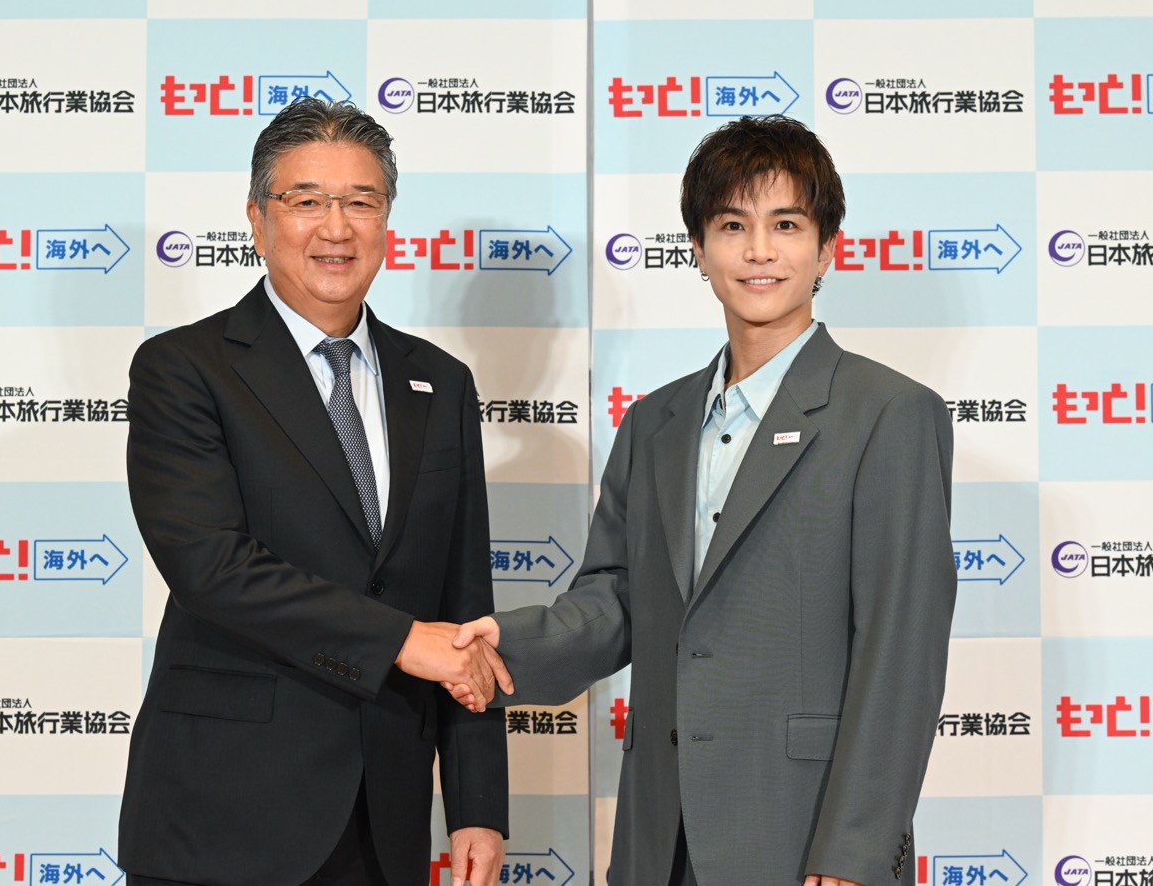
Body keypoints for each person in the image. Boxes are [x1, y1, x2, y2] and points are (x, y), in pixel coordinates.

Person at [450, 115, 957, 886]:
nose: (759, 251)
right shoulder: (655, 421)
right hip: (661, 838)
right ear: (698, 248)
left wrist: (853, 854)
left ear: (827, 248)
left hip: (803, 838)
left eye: (786, 225)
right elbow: (617, 600)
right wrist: (501, 646)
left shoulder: (888, 413)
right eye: (732, 226)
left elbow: (901, 654)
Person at [119, 98, 512, 886]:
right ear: (258, 220)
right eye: (307, 201)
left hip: (385, 818)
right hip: (223, 818)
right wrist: (399, 639)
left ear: (387, 221)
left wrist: (477, 803)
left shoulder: (440, 383)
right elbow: (211, 566)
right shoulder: (186, 369)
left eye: (361, 202)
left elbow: (466, 607)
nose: (337, 227)